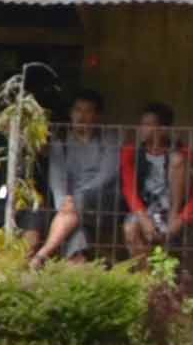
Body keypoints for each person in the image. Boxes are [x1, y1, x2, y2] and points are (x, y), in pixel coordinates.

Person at [26, 90, 124, 267]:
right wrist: (63, 203)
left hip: (102, 201)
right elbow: (57, 180)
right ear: (71, 113)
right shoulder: (61, 141)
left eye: (88, 111)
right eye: (78, 110)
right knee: (77, 231)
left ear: (97, 116)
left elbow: (107, 175)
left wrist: (76, 199)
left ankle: (42, 255)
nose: (82, 116)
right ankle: (74, 262)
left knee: (75, 210)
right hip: (70, 209)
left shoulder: (109, 139)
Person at [122, 102, 193, 263]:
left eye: (149, 124)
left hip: (176, 212)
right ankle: (146, 281)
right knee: (130, 228)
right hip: (145, 210)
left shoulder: (184, 153)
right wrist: (143, 218)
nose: (143, 129)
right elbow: (128, 188)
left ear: (163, 128)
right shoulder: (131, 153)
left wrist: (180, 219)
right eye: (142, 124)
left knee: (177, 160)